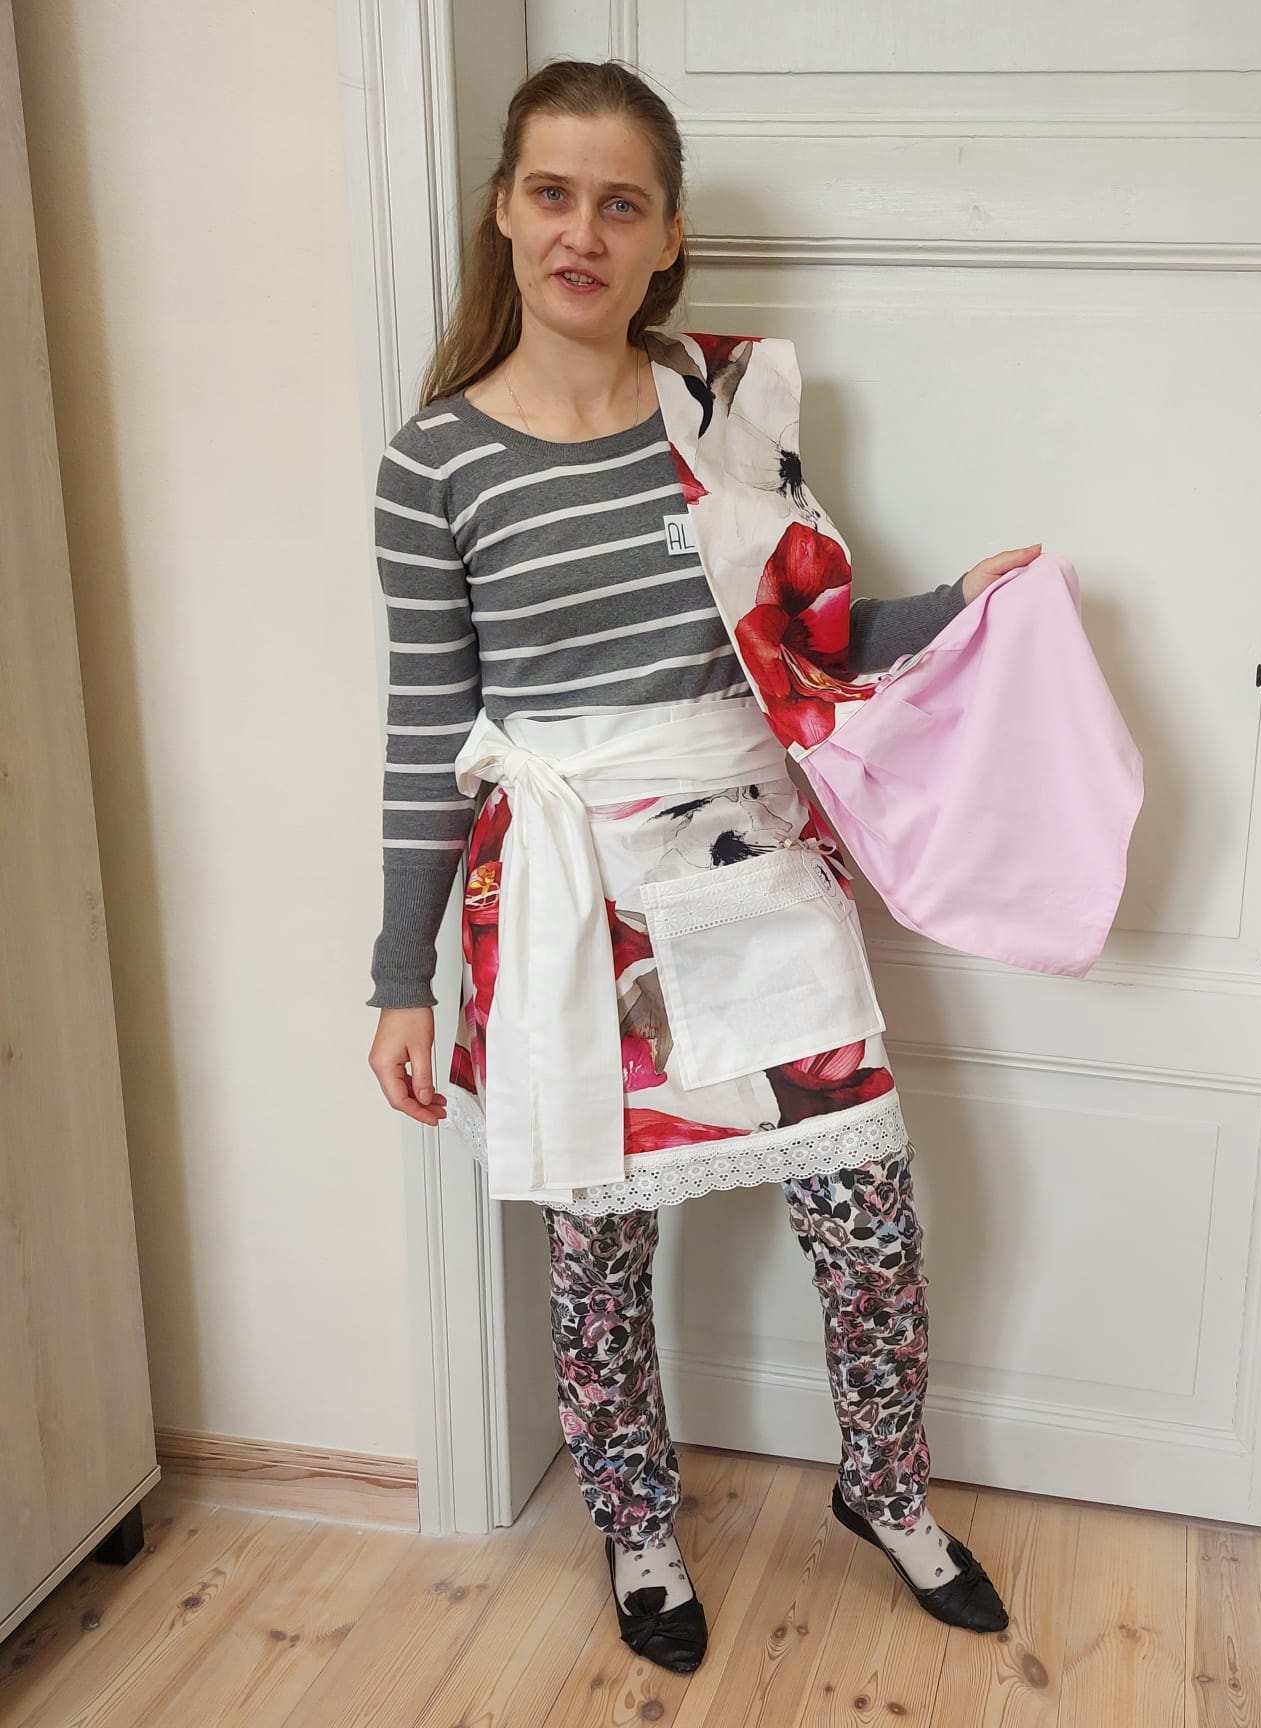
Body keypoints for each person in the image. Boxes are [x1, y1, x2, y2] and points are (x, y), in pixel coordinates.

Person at [364, 58, 1031, 1673]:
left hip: (750, 860)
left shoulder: (722, 418)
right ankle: (639, 1528)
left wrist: (954, 610)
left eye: (620, 203)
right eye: (551, 194)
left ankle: (886, 1491)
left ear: (667, 237)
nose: (580, 233)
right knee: (597, 1244)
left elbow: (803, 639)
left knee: (866, 1211)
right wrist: (401, 977)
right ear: (504, 212)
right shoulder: (435, 462)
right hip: (570, 895)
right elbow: (425, 729)